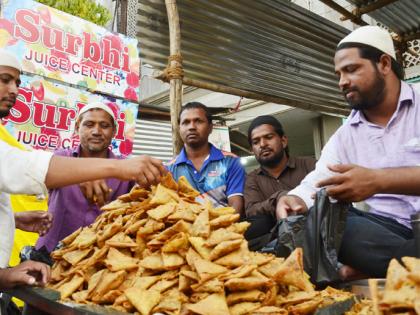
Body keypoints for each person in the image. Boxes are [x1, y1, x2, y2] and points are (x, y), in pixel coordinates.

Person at [0, 50, 166, 289]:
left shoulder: (129, 169)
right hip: (51, 259)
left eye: (17, 82)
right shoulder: (63, 159)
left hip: (101, 264)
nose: (15, 90)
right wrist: (99, 172)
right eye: (5, 80)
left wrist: (12, 220)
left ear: (113, 132)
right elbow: (31, 169)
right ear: (77, 128)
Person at [277, 25, 418, 278]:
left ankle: (381, 269)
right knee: (329, 224)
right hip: (386, 231)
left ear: (384, 64)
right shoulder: (345, 135)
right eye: (338, 74)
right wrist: (295, 199)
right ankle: (402, 265)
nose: (342, 81)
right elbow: (318, 182)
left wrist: (379, 181)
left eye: (351, 70)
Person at [36, 102, 135, 253]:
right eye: (89, 124)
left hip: (99, 259)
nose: (96, 131)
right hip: (50, 252)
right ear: (77, 128)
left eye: (104, 125)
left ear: (114, 131)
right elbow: (33, 178)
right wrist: (81, 173)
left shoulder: (126, 168)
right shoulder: (59, 158)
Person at [244, 115, 316, 249]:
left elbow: (326, 194)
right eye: (256, 142)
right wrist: (278, 199)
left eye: (269, 137)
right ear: (252, 149)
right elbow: (251, 211)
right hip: (277, 243)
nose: (263, 144)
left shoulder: (310, 165)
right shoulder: (252, 179)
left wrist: (298, 201)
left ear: (283, 141)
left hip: (316, 234)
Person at [167, 102, 246, 215]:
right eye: (186, 122)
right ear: (179, 129)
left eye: (198, 121)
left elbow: (236, 206)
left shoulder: (231, 161)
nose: (192, 127)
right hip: (184, 230)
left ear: (210, 127)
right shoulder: (169, 169)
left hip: (223, 228)